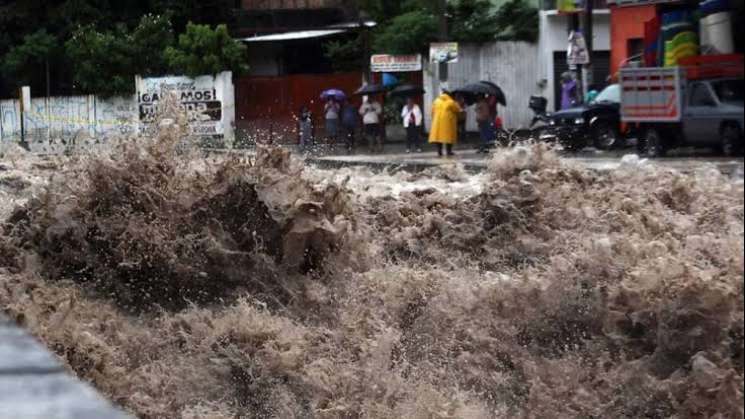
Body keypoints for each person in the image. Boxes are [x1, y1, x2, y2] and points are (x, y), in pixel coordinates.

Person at [429, 89, 462, 157]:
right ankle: (448, 151)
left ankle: (439, 151)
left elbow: (432, 112)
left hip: (437, 122)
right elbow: (457, 110)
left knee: (438, 138)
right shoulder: (451, 102)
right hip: (448, 123)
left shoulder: (436, 101)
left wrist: (434, 119)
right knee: (449, 137)